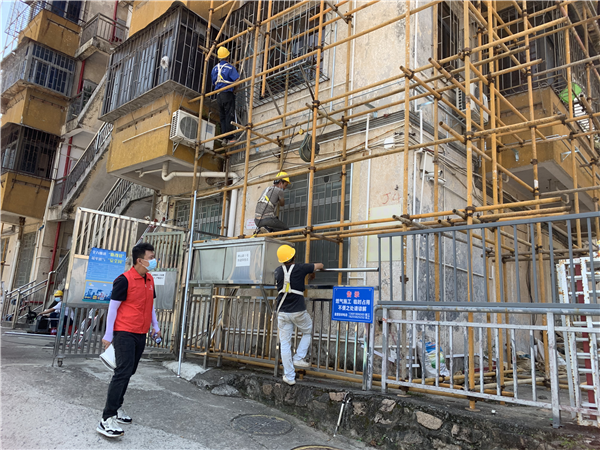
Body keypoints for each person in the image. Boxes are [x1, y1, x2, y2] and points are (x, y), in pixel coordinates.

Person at [96, 242, 161, 438]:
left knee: (129, 371)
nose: (154, 260)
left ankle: (117, 408)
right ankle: (106, 418)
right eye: (151, 258)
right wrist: (108, 335)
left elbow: (150, 306)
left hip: (141, 333)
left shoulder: (149, 279)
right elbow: (113, 309)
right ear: (140, 260)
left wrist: (156, 326)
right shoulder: (124, 280)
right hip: (124, 332)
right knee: (122, 373)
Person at [274, 244, 324, 385]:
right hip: (298, 311)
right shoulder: (300, 268)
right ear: (293, 256)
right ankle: (298, 357)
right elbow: (320, 265)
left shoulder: (277, 271)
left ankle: (289, 377)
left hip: (282, 311)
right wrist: (312, 271)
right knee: (308, 331)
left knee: (285, 343)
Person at [211, 46, 240, 145]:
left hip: (218, 95)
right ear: (228, 57)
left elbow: (214, 82)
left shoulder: (214, 69)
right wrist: (234, 90)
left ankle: (224, 138)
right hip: (227, 93)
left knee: (222, 116)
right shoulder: (230, 68)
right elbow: (237, 80)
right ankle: (230, 138)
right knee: (229, 115)